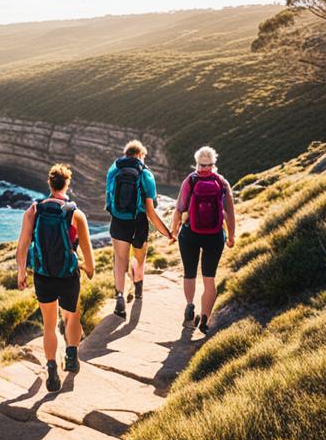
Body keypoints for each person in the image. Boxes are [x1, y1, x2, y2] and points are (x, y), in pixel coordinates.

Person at [17, 163, 95, 392]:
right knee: (72, 316)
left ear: (50, 184)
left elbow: (22, 246)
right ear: (67, 184)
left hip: (43, 275)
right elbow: (87, 249)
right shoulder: (75, 213)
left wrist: (22, 271)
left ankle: (51, 368)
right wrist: (89, 269)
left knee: (49, 325)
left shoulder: (33, 210)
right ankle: (71, 354)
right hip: (68, 275)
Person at [169, 145, 236, 334]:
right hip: (214, 236)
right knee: (209, 278)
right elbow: (230, 214)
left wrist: (174, 233)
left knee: (189, 273)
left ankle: (190, 305)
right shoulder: (222, 183)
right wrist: (230, 237)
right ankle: (205, 317)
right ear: (214, 165)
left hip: (190, 234)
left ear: (197, 163)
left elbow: (179, 209)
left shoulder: (190, 180)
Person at [105, 140, 175, 317]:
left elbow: (109, 200)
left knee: (120, 260)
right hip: (139, 223)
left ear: (126, 154)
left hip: (118, 221)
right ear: (141, 155)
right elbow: (151, 212)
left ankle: (120, 297)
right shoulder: (146, 174)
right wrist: (167, 233)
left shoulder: (113, 170)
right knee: (139, 258)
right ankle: (138, 287)